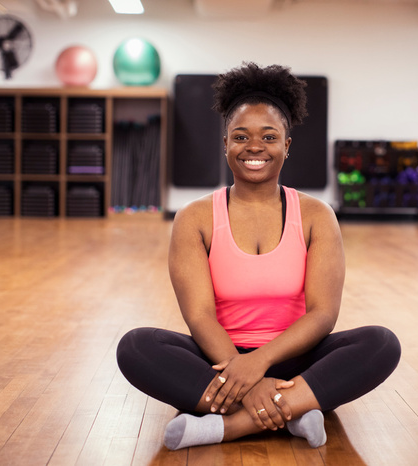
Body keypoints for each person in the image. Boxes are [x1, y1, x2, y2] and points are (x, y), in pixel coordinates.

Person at [116, 62, 401, 450]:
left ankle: (229, 426)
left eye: (269, 137)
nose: (254, 147)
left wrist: (259, 363)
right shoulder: (194, 218)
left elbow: (323, 314)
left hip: (297, 356)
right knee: (136, 346)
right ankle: (295, 410)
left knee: (381, 343)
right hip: (219, 361)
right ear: (226, 143)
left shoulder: (317, 215)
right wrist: (243, 369)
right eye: (241, 136)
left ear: (286, 144)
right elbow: (198, 315)